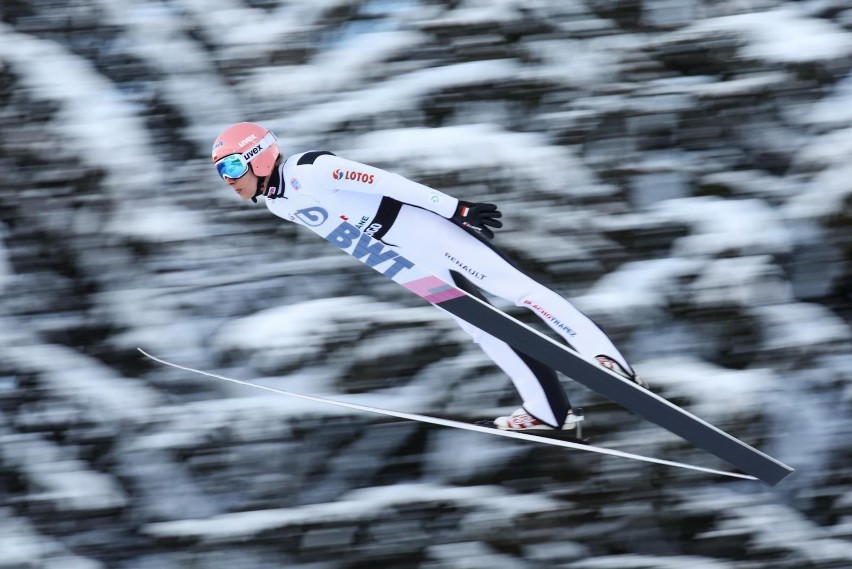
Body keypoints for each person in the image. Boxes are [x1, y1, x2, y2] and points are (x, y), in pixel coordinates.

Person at [211, 122, 647, 432]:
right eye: (221, 173)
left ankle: (605, 359)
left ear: (258, 156)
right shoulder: (278, 202)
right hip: (404, 255)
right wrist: (396, 268)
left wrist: (454, 208)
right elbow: (345, 231)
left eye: (231, 168)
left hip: (428, 229)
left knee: (518, 292)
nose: (228, 181)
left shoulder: (311, 170)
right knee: (483, 329)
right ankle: (546, 410)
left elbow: (388, 182)